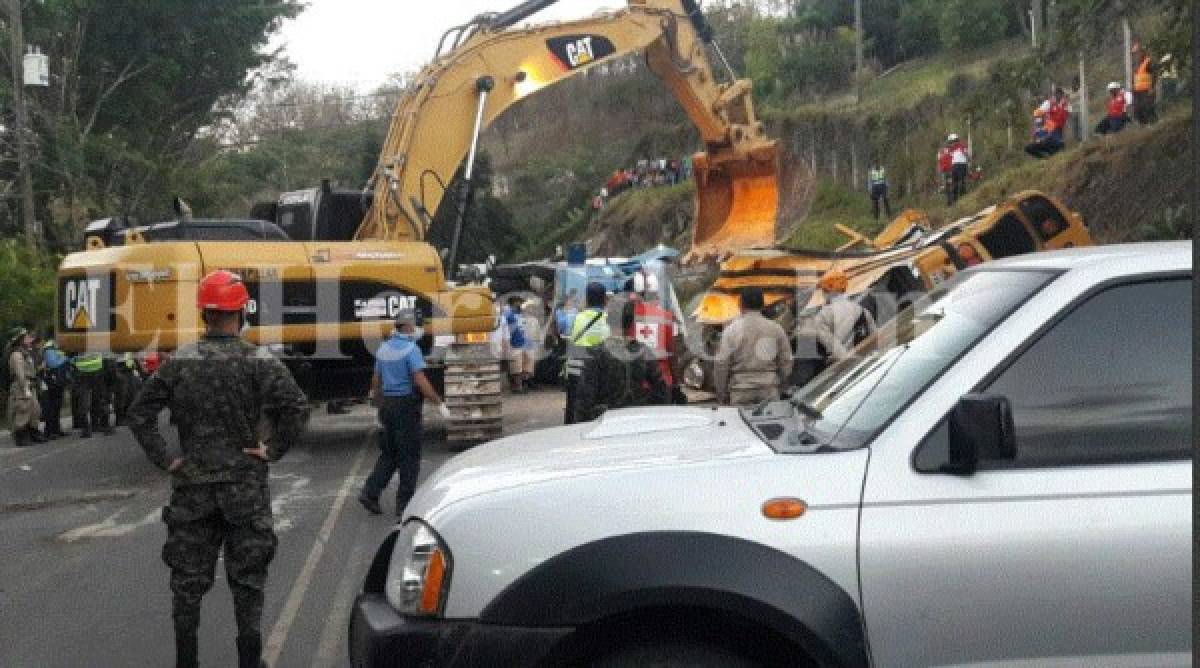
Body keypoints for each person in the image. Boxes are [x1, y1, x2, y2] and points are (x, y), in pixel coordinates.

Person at [128, 269, 309, 668]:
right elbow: (297, 407)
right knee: (248, 582)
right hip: (244, 486)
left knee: (187, 584)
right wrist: (271, 449)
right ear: (241, 311)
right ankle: (249, 661)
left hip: (193, 487)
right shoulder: (259, 361)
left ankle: (186, 661)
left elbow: (139, 414)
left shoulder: (179, 363)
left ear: (204, 314)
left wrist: (167, 459)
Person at [359, 309, 450, 517]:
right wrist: (439, 403)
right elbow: (420, 381)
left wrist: (377, 404)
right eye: (418, 324)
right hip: (405, 407)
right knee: (409, 456)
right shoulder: (411, 350)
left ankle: (370, 493)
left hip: (388, 406)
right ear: (408, 326)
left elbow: (376, 380)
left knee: (390, 453)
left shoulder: (383, 348)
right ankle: (404, 505)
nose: (420, 328)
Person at [572, 300, 671, 422]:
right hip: (636, 421)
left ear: (607, 321)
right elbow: (662, 391)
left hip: (604, 423)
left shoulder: (596, 353)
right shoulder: (643, 351)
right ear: (631, 323)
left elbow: (585, 398)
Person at [714, 287, 793, 406]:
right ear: (763, 305)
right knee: (769, 423)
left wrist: (722, 393)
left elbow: (721, 364)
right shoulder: (776, 329)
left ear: (741, 305)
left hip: (740, 391)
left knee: (741, 424)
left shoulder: (731, 330)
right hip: (769, 390)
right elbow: (786, 361)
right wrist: (781, 384)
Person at [563, 282, 611, 424]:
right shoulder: (608, 319)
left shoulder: (575, 317)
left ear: (587, 299)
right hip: (597, 372)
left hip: (574, 370)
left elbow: (567, 336)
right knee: (596, 410)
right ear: (604, 300)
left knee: (573, 408)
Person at [813, 269, 876, 363]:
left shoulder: (822, 317)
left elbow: (835, 349)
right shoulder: (862, 310)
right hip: (869, 363)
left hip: (846, 369)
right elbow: (875, 339)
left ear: (825, 291)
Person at [7, 328, 45, 447]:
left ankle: (32, 432)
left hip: (29, 384)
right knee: (23, 410)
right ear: (19, 339)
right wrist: (25, 388)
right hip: (21, 385)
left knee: (35, 410)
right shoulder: (16, 354)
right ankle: (20, 436)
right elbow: (20, 373)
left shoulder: (25, 352)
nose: (29, 338)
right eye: (26, 337)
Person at [72, 349, 110, 438]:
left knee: (98, 400)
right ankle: (92, 427)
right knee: (86, 402)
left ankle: (98, 426)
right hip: (85, 374)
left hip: (92, 373)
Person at [39, 337, 69, 439]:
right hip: (52, 381)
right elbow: (53, 363)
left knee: (57, 406)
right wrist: (66, 358)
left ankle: (56, 429)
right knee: (51, 406)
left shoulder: (57, 347)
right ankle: (50, 431)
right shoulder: (49, 348)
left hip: (59, 381)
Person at [502, 296, 531, 394]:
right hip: (514, 343)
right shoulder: (508, 314)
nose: (521, 304)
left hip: (523, 342)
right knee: (516, 368)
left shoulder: (519, 314)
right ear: (514, 303)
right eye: (519, 302)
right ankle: (517, 387)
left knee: (522, 366)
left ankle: (520, 385)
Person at [1131, 43, 1158, 125]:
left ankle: (1154, 124)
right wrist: (1133, 87)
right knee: (1137, 109)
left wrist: (1151, 87)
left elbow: (1154, 74)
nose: (1135, 55)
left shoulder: (1148, 61)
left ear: (1142, 52)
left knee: (1147, 108)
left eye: (1137, 53)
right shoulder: (1135, 64)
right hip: (1137, 91)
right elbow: (1135, 77)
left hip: (1146, 90)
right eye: (1134, 54)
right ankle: (1143, 126)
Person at [947, 134, 969, 205]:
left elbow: (966, 154)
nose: (951, 143)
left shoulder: (961, 146)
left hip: (962, 165)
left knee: (962, 181)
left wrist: (968, 159)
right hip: (954, 167)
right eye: (950, 142)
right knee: (955, 183)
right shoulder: (951, 150)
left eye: (952, 142)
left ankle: (963, 196)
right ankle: (955, 200)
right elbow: (950, 159)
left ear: (956, 141)